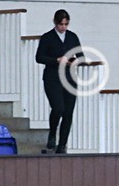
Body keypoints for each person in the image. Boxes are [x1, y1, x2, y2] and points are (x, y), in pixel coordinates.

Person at [35, 8, 85, 154]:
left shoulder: (72, 37)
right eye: (61, 24)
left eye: (66, 24)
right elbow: (39, 57)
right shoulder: (47, 37)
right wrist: (56, 60)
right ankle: (52, 132)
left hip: (69, 78)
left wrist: (73, 61)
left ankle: (62, 144)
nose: (63, 27)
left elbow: (81, 56)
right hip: (52, 78)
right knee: (58, 108)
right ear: (55, 23)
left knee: (68, 112)